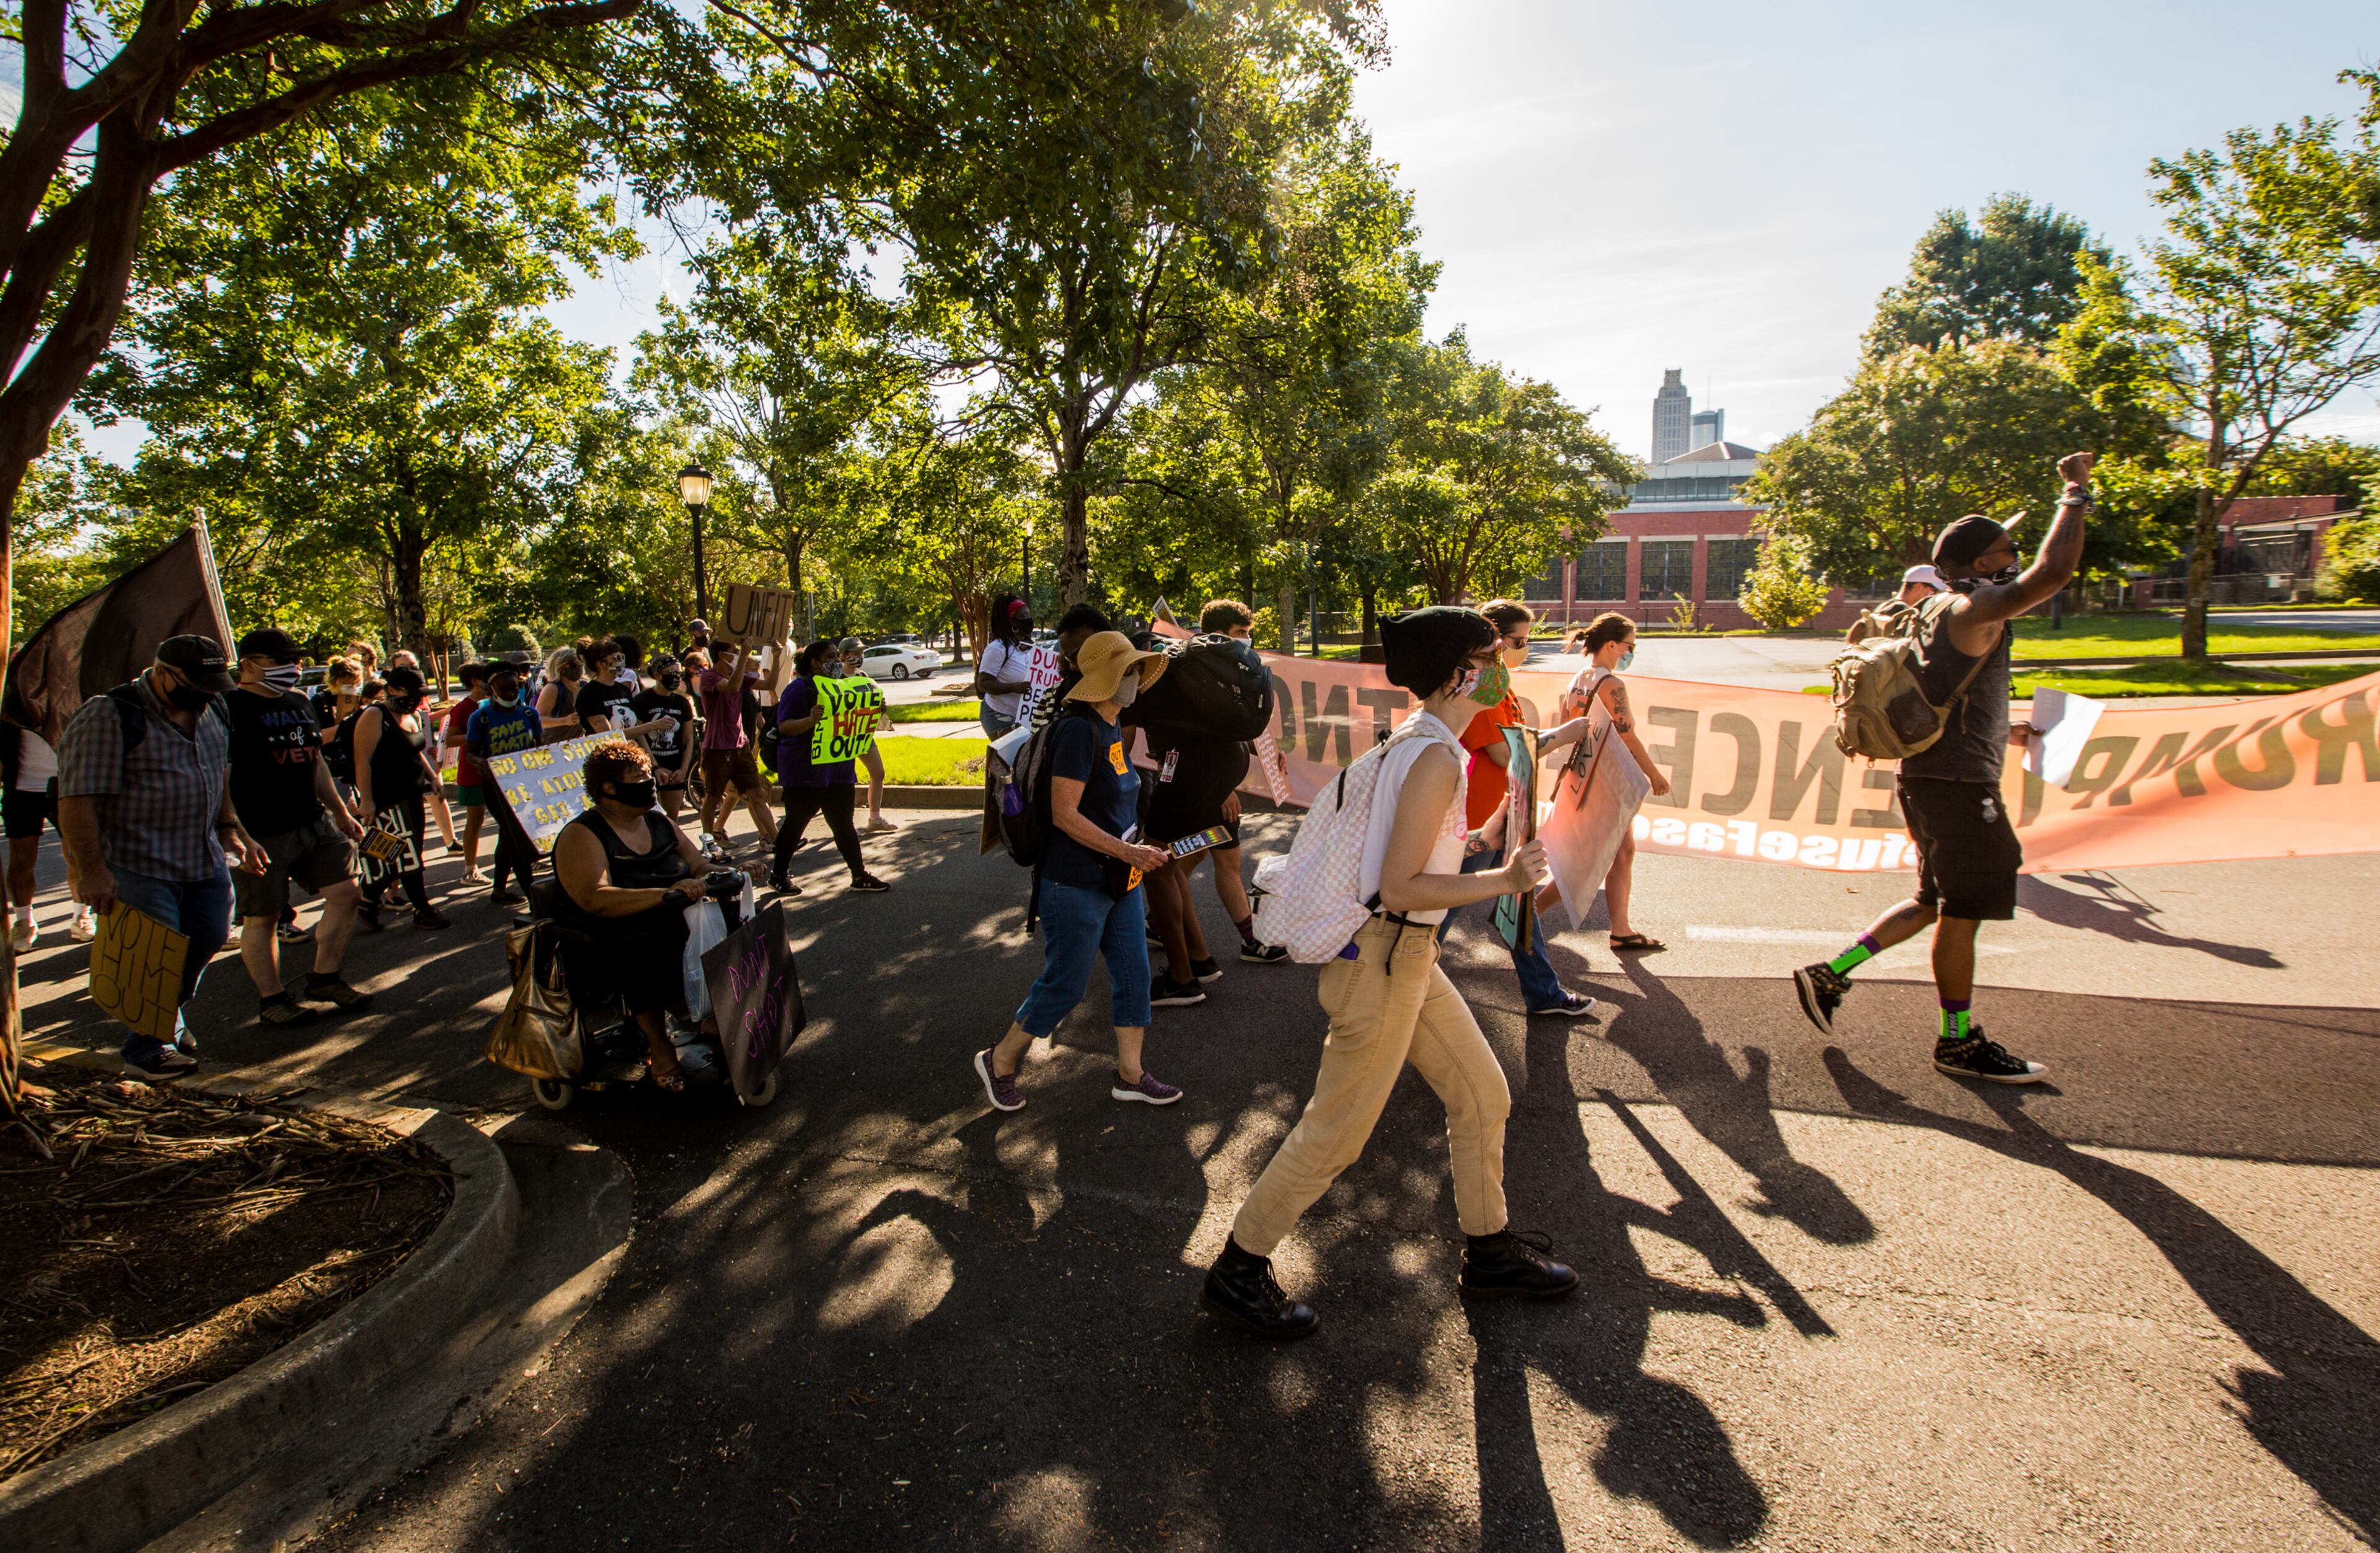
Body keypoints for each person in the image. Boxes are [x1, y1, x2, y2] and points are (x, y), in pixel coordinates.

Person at [1199, 608, 1576, 1338]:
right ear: (1461, 672)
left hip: (1406, 957)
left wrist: (1480, 839)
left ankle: (1491, 1250)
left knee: (1483, 1094)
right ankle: (1238, 1271)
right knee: (1336, 1135)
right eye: (1493, 653)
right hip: (1384, 959)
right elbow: (1401, 887)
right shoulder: (1435, 756)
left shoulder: (1423, 742)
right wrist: (1504, 878)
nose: (1506, 663)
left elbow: (1405, 858)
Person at [1794, 454, 2096, 1083]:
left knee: (1932, 901)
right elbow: (2054, 572)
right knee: (1962, 913)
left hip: (1935, 779)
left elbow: (1942, 695)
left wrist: (2004, 730)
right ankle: (1956, 1042)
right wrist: (2074, 494)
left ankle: (1830, 974)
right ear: (1984, 564)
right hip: (1960, 790)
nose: (2014, 556)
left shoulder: (1935, 612)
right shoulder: (1970, 611)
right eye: (2007, 549)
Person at [972, 632, 1181, 1113]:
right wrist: (1128, 854)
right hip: (1075, 882)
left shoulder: (1111, 723)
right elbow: (1064, 814)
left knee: (1134, 975)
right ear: (1106, 677)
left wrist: (1136, 846)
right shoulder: (1078, 730)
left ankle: (1131, 1074)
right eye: (1127, 670)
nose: (1134, 679)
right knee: (1064, 984)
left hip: (1118, 879)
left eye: (1136, 670)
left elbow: (1113, 802)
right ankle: (999, 1059)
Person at [57, 635, 249, 1076]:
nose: (206, 695)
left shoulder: (215, 706)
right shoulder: (110, 714)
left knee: (211, 934)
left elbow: (216, 770)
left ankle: (166, 1015)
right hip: (136, 862)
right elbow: (77, 798)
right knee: (152, 951)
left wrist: (227, 827)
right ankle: (147, 1047)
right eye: (196, 685)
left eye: (213, 685)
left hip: (202, 855)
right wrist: (91, 870)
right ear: (162, 673)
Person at [1437, 600, 1602, 1013]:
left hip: (1505, 812)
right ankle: (1390, 979)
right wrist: (1562, 736)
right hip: (1475, 820)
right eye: (1519, 639)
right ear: (1493, 637)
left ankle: (1543, 993)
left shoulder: (1499, 683)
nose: (1524, 646)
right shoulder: (1479, 687)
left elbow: (1513, 740)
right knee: (1437, 910)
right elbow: (1501, 752)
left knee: (1519, 903)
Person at [223, 629, 374, 1025]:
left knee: (347, 893)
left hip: (313, 821)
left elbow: (315, 761)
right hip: (261, 830)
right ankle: (272, 999)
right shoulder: (227, 708)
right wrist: (237, 832)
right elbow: (218, 777)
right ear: (249, 665)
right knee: (265, 916)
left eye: (297, 660)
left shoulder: (298, 702)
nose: (295, 668)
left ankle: (325, 978)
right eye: (282, 661)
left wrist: (340, 812)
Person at [550, 740, 721, 1092]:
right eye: (639, 777)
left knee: (738, 924)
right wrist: (664, 895)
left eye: (648, 774)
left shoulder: (659, 822)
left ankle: (716, 1019)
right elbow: (596, 899)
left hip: (672, 917)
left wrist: (722, 873)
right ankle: (661, 1049)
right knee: (641, 949)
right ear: (609, 788)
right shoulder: (583, 834)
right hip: (611, 933)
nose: (650, 781)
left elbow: (698, 864)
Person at [1555, 612, 1672, 954]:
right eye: (1629, 646)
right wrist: (1654, 774)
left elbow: (1565, 724)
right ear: (1611, 645)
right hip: (1606, 778)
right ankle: (1531, 914)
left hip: (1583, 773)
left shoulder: (1579, 678)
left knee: (1619, 851)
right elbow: (1629, 737)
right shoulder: (1612, 685)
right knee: (1591, 856)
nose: (1630, 652)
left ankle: (1621, 929)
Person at [769, 642, 891, 895]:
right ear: (815, 662)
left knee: (844, 824)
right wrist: (810, 720)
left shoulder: (844, 688)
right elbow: (785, 726)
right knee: (795, 824)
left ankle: (859, 875)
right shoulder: (799, 688)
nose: (837, 661)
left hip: (838, 770)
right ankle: (778, 875)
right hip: (806, 771)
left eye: (837, 656)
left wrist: (872, 710)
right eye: (831, 657)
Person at [351, 664, 451, 931]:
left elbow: (416, 750)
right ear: (392, 690)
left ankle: (368, 902)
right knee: (407, 856)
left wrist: (434, 777)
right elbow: (363, 760)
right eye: (411, 693)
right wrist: (367, 801)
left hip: (412, 797)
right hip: (387, 801)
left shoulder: (412, 714)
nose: (417, 699)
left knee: (395, 856)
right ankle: (422, 909)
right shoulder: (375, 715)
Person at [2, 713, 92, 949]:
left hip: (67, 784)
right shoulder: (12, 704)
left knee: (76, 856)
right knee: (21, 860)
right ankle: (24, 920)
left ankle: (81, 915)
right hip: (22, 787)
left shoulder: (71, 698)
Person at [464, 660, 545, 906]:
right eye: (505, 690)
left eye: (515, 688)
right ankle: (534, 898)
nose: (511, 694)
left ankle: (499, 890)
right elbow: (470, 753)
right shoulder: (481, 718)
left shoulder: (530, 714)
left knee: (508, 837)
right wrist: (483, 764)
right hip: (496, 788)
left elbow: (540, 746)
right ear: (491, 690)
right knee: (515, 836)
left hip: (525, 785)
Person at [695, 646, 780, 851]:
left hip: (741, 747)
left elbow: (769, 683)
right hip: (717, 748)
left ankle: (778, 840)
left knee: (757, 794)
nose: (740, 652)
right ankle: (709, 843)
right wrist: (743, 657)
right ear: (722, 655)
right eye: (734, 650)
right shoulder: (709, 676)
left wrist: (776, 658)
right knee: (713, 797)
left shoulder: (738, 675)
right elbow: (732, 688)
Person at [838, 637, 897, 833]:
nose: (859, 657)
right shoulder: (834, 678)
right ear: (843, 655)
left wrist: (880, 708)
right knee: (841, 779)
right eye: (855, 654)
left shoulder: (863, 676)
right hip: (841, 735)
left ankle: (875, 818)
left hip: (862, 734)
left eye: (861, 653)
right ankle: (843, 823)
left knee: (878, 772)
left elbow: (872, 704)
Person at [632, 654, 699, 819]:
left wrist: (683, 770)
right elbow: (639, 735)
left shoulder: (682, 703)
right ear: (657, 675)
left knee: (671, 819)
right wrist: (655, 767)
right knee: (647, 819)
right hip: (649, 767)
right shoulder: (642, 701)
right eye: (671, 673)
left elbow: (688, 739)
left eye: (679, 674)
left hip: (675, 768)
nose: (676, 678)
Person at [444, 664, 490, 882]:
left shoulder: (495, 705)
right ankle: (470, 869)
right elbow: (451, 740)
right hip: (472, 772)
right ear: (474, 681)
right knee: (476, 819)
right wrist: (475, 735)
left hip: (497, 770)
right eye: (486, 678)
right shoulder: (463, 708)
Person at [974, 595, 1039, 739]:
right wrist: (1013, 688)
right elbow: (983, 684)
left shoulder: (1028, 647)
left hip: (1023, 716)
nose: (1028, 619)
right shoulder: (997, 648)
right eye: (1024, 616)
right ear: (1012, 620)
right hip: (999, 716)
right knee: (1010, 760)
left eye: (1029, 615)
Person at [1844, 564, 1950, 644]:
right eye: (1933, 591)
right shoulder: (1905, 613)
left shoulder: (1886, 606)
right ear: (1919, 587)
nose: (1934, 596)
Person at [536, 647, 586, 744]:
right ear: (562, 668)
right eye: (575, 666)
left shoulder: (583, 686)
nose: (579, 668)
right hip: (554, 746)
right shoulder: (553, 688)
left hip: (577, 745)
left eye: (581, 665)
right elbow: (539, 719)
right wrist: (565, 721)